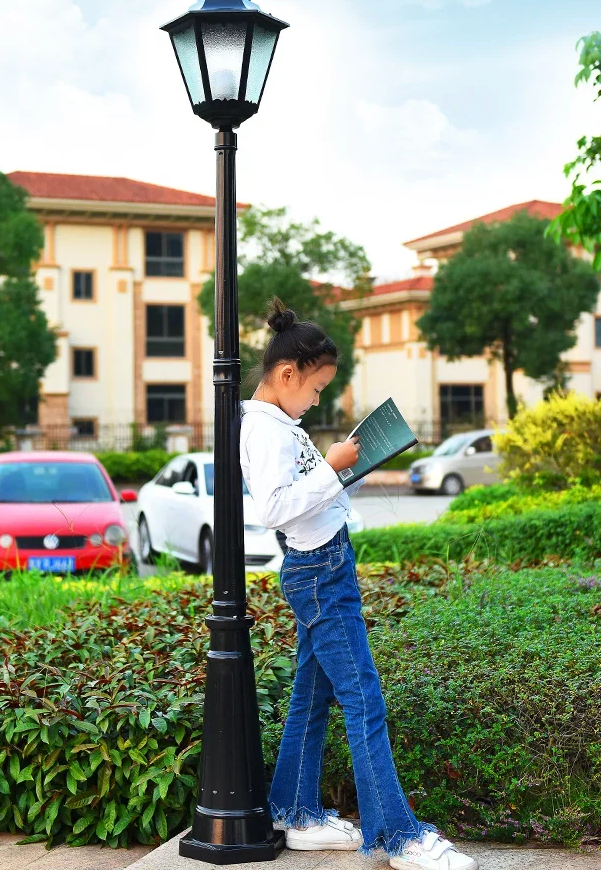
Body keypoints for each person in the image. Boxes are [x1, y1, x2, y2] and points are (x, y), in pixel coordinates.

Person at [240, 299, 477, 870]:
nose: (319, 398)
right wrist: (332, 467)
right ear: (287, 374)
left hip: (325, 564)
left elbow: (305, 495)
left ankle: (294, 811)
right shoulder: (263, 430)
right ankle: (396, 837)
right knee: (363, 698)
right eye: (317, 387)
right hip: (317, 572)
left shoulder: (281, 424)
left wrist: (341, 465)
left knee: (313, 694)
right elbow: (273, 508)